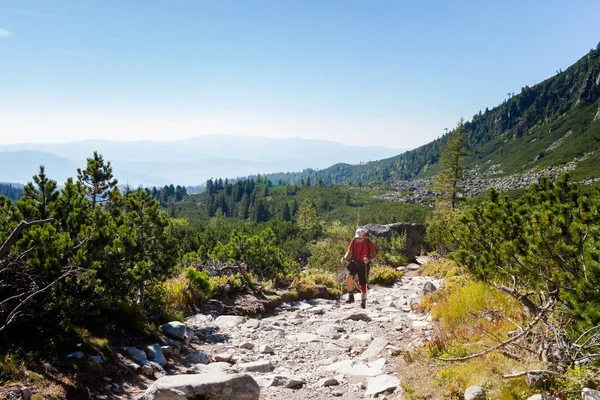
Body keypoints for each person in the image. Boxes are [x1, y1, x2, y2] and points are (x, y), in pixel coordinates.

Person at [341, 228, 376, 309]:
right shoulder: (353, 241)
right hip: (354, 262)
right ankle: (351, 296)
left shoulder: (368, 242)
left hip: (364, 264)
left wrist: (368, 259)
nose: (358, 239)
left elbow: (374, 255)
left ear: (364, 236)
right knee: (348, 277)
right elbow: (349, 252)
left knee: (362, 284)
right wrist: (344, 258)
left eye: (360, 238)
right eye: (357, 237)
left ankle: (363, 303)